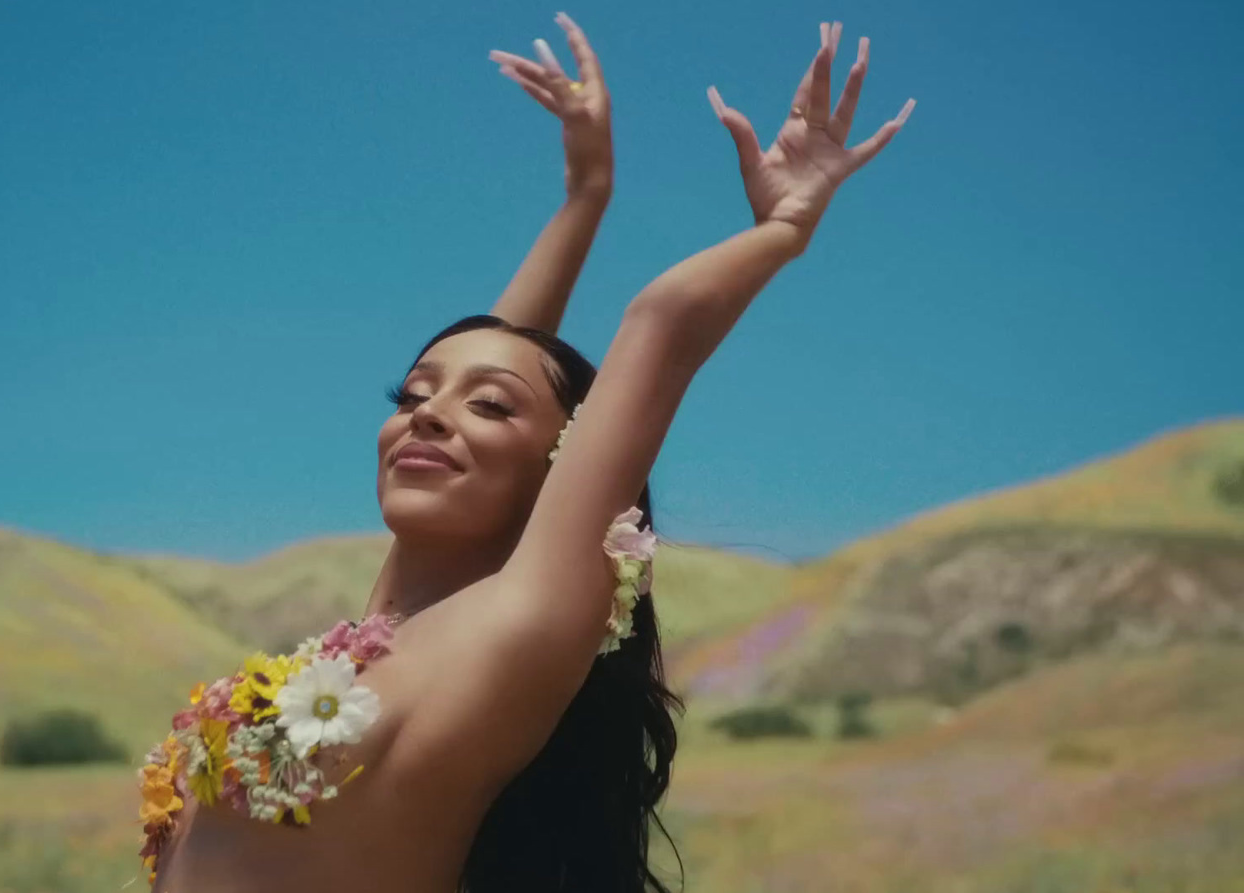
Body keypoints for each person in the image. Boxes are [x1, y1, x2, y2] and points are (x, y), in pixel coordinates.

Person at [138, 17, 913, 893]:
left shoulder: (514, 631)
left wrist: (785, 225)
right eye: (413, 394)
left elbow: (657, 329)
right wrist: (585, 195)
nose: (427, 415)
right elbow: (498, 351)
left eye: (488, 408)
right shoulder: (379, 635)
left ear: (564, 468)